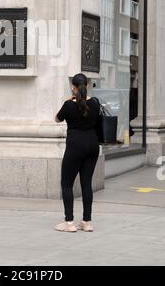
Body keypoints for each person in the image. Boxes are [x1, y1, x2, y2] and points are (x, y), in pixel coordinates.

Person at [54, 73, 100, 233]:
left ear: (73, 88)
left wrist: (70, 101)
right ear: (87, 86)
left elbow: (57, 119)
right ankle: (87, 222)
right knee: (86, 183)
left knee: (67, 183)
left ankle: (69, 222)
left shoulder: (68, 105)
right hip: (93, 145)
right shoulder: (95, 103)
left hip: (75, 146)